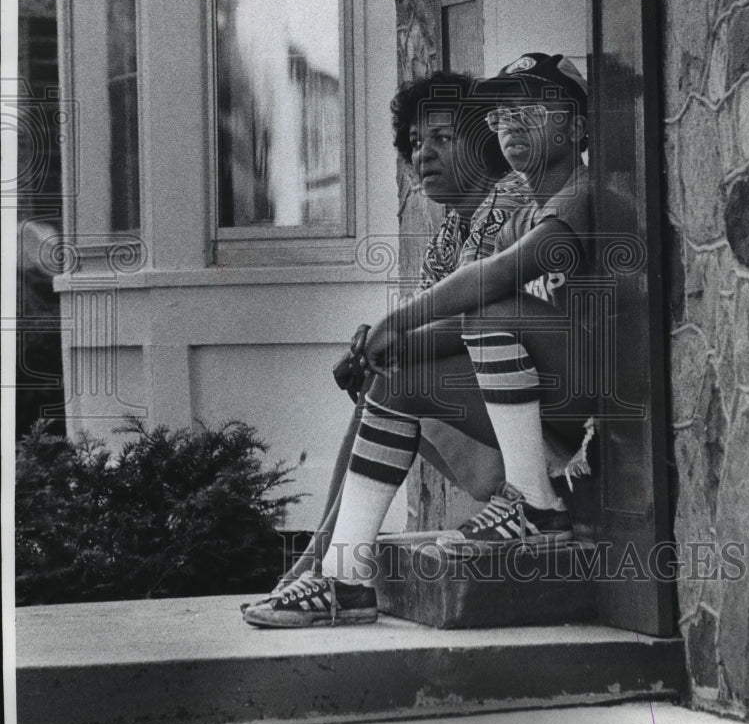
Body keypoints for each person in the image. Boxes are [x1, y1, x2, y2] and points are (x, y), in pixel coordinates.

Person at [243, 53, 596, 628]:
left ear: (578, 125)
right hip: (544, 402)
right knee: (397, 384)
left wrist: (398, 327)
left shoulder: (578, 193)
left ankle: (535, 501)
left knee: (486, 306)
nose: (513, 123)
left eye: (534, 109)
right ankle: (343, 577)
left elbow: (489, 283)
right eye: (504, 111)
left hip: (594, 411)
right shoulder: (519, 206)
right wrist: (394, 348)